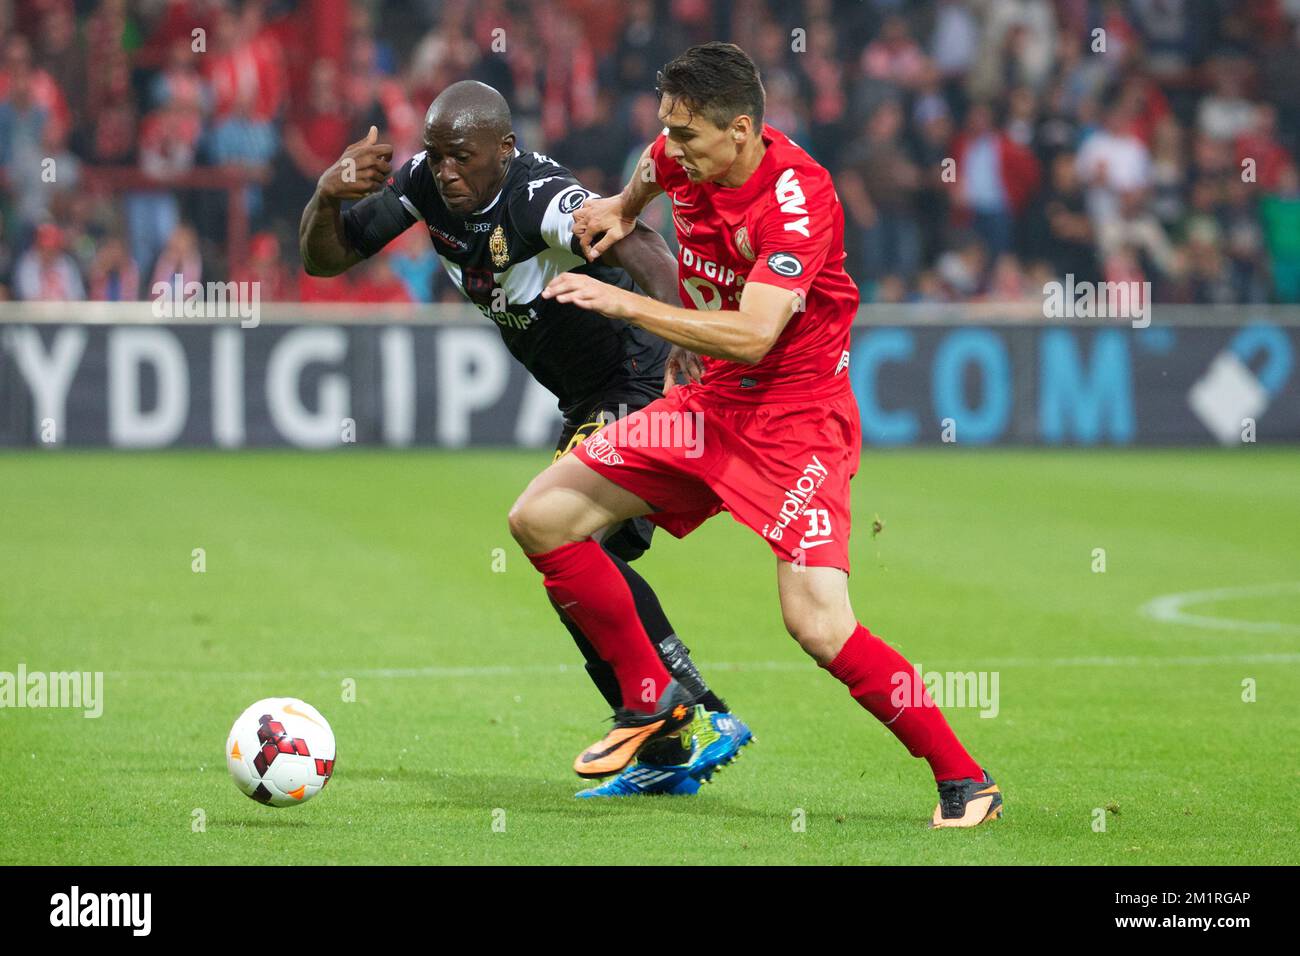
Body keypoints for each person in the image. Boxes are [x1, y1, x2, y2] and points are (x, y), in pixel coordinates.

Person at [509, 44, 1000, 827]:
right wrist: (622, 207)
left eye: (688, 135)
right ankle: (651, 701)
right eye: (666, 129)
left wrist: (628, 305)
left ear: (741, 131)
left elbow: (755, 335)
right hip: (709, 406)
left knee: (817, 624)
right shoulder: (680, 158)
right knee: (540, 519)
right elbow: (648, 169)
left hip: (795, 425)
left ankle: (964, 779)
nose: (671, 148)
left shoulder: (799, 198)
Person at [298, 80, 751, 797]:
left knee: (569, 538)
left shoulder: (537, 197)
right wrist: (327, 195)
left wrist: (682, 336)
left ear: (504, 151)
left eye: (463, 157)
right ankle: (668, 744)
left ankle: (692, 711)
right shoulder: (425, 184)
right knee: (570, 563)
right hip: (585, 399)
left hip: (634, 379)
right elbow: (327, 260)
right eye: (437, 155)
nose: (446, 170)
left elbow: (641, 242)